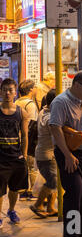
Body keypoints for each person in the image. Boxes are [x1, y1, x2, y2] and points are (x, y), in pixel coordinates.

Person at [49, 71, 82, 237]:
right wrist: (68, 155)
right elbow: (55, 128)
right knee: (74, 195)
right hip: (71, 156)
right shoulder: (60, 102)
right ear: (76, 85)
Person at [0, 78, 29, 227]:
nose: (7, 93)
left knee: (14, 188)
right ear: (1, 91)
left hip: (15, 157)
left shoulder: (21, 112)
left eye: (10, 90)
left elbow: (24, 135)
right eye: (4, 89)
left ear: (15, 92)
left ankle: (11, 210)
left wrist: (23, 155)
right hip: (1, 159)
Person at [30, 89, 58, 218]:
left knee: (54, 180)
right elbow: (57, 137)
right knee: (53, 181)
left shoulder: (43, 111)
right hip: (47, 155)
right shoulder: (50, 117)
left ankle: (51, 207)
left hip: (45, 154)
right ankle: (37, 204)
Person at [15, 79, 39, 201]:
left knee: (22, 165)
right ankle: (32, 192)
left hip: (16, 138)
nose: (35, 90)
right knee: (32, 166)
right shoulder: (30, 104)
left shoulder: (17, 102)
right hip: (28, 138)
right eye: (34, 88)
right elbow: (32, 125)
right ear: (30, 90)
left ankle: (22, 191)